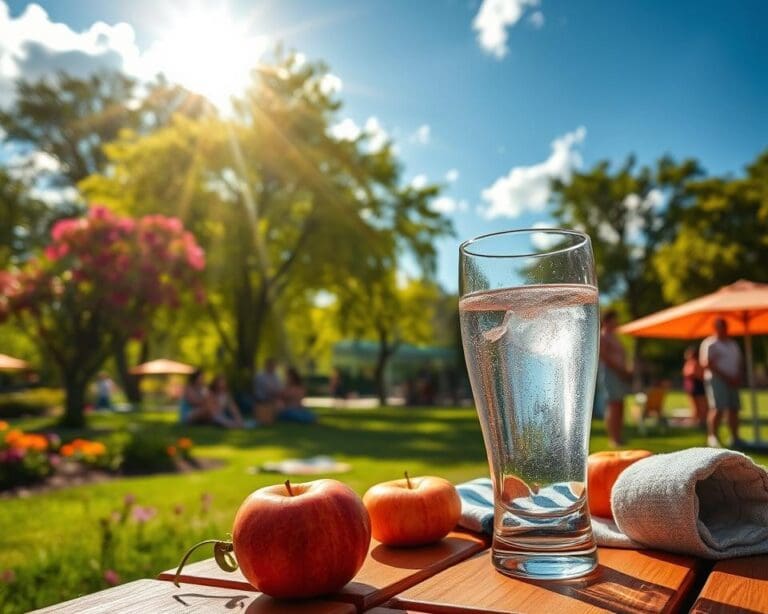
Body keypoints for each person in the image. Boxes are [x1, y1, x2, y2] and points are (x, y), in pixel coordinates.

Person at [700, 318, 743, 448]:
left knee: (734, 408)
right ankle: (712, 436)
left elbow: (739, 362)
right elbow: (706, 363)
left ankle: (735, 437)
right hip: (717, 380)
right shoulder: (710, 343)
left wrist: (737, 376)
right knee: (718, 408)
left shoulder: (733, 344)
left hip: (733, 380)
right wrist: (726, 377)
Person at [599, 310, 633, 448]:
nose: (617, 323)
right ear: (608, 320)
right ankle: (613, 438)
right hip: (610, 373)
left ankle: (618, 436)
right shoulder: (603, 336)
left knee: (619, 404)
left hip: (619, 374)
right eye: (615, 320)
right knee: (613, 405)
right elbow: (604, 356)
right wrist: (619, 370)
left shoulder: (614, 336)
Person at [682, 346, 707, 428]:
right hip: (692, 386)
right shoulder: (690, 362)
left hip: (697, 386)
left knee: (700, 405)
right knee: (695, 405)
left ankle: (700, 421)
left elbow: (692, 373)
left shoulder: (696, 362)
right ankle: (698, 421)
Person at [253, 358, 282, 425]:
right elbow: (269, 390)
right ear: (267, 365)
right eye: (271, 365)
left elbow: (279, 389)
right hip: (262, 400)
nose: (273, 367)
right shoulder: (260, 376)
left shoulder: (276, 376)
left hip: (273, 399)